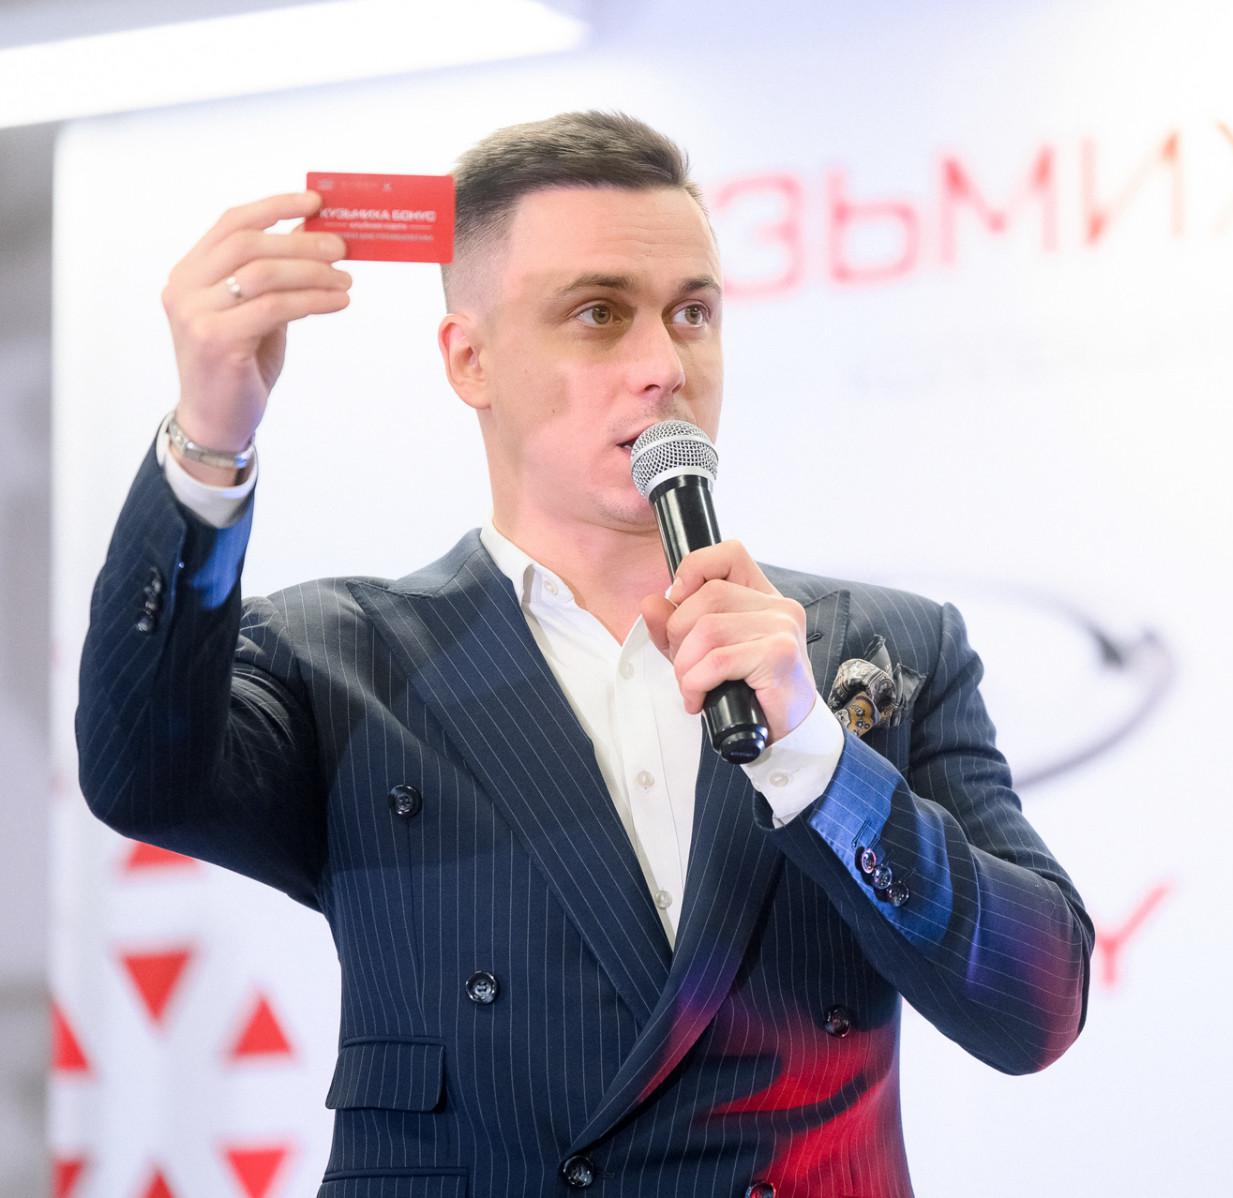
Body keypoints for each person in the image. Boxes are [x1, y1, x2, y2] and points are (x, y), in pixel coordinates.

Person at [75, 111, 1092, 1198]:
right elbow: (143, 773)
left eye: (692, 313)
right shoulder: (343, 658)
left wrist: (815, 758)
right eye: (599, 314)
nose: (664, 366)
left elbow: (1037, 1007)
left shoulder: (880, 650)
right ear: (470, 360)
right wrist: (208, 443)